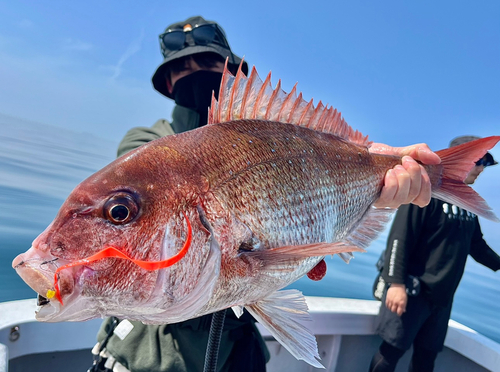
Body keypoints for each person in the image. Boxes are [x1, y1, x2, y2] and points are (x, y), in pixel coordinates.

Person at [89, 15, 441, 372]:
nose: (196, 72)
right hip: (155, 346)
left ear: (232, 72)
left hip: (240, 337)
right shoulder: (142, 146)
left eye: (209, 61)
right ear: (168, 82)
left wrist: (376, 181)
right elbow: (142, 200)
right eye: (183, 67)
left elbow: (304, 212)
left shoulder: (273, 140)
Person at [369, 135, 500, 372]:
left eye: (486, 163)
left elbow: (477, 246)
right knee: (391, 352)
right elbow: (401, 236)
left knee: (426, 358)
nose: (482, 168)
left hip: (442, 299)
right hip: (412, 291)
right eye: (479, 160)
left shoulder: (466, 205)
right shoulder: (426, 191)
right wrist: (395, 283)